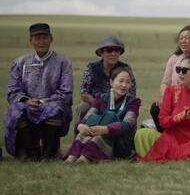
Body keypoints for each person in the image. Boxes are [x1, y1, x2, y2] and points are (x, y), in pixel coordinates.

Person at [5, 23, 73, 161]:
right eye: (37, 38)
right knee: (17, 109)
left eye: (44, 38)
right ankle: (32, 152)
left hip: (54, 103)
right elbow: (12, 90)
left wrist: (43, 102)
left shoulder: (63, 62)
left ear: (51, 39)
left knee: (53, 109)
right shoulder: (19, 63)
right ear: (31, 41)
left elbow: (66, 91)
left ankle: (49, 152)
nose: (41, 42)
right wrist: (26, 101)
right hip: (27, 104)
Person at [134, 56, 190, 162]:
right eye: (178, 70)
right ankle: (188, 156)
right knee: (141, 134)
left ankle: (171, 155)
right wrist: (178, 117)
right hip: (170, 141)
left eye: (184, 71)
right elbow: (162, 122)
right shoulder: (170, 91)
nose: (180, 73)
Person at [65, 67, 141, 163]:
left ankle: (86, 155)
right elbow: (88, 117)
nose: (124, 85)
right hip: (98, 135)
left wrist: (105, 129)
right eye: (121, 81)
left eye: (128, 82)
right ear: (111, 82)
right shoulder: (101, 98)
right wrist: (80, 126)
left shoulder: (133, 102)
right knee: (93, 118)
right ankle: (74, 155)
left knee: (110, 116)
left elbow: (127, 125)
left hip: (121, 144)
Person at [149, 24, 190, 132]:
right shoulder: (174, 59)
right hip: (174, 98)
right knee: (155, 108)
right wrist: (166, 98)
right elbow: (165, 83)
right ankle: (167, 134)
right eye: (181, 38)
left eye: (187, 38)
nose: (183, 41)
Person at [76, 35, 137, 130]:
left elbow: (132, 93)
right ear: (101, 52)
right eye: (109, 50)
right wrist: (100, 105)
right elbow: (84, 93)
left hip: (120, 105)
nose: (113, 53)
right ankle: (80, 136)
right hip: (95, 103)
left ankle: (129, 141)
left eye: (117, 50)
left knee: (131, 111)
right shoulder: (91, 68)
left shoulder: (125, 69)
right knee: (83, 107)